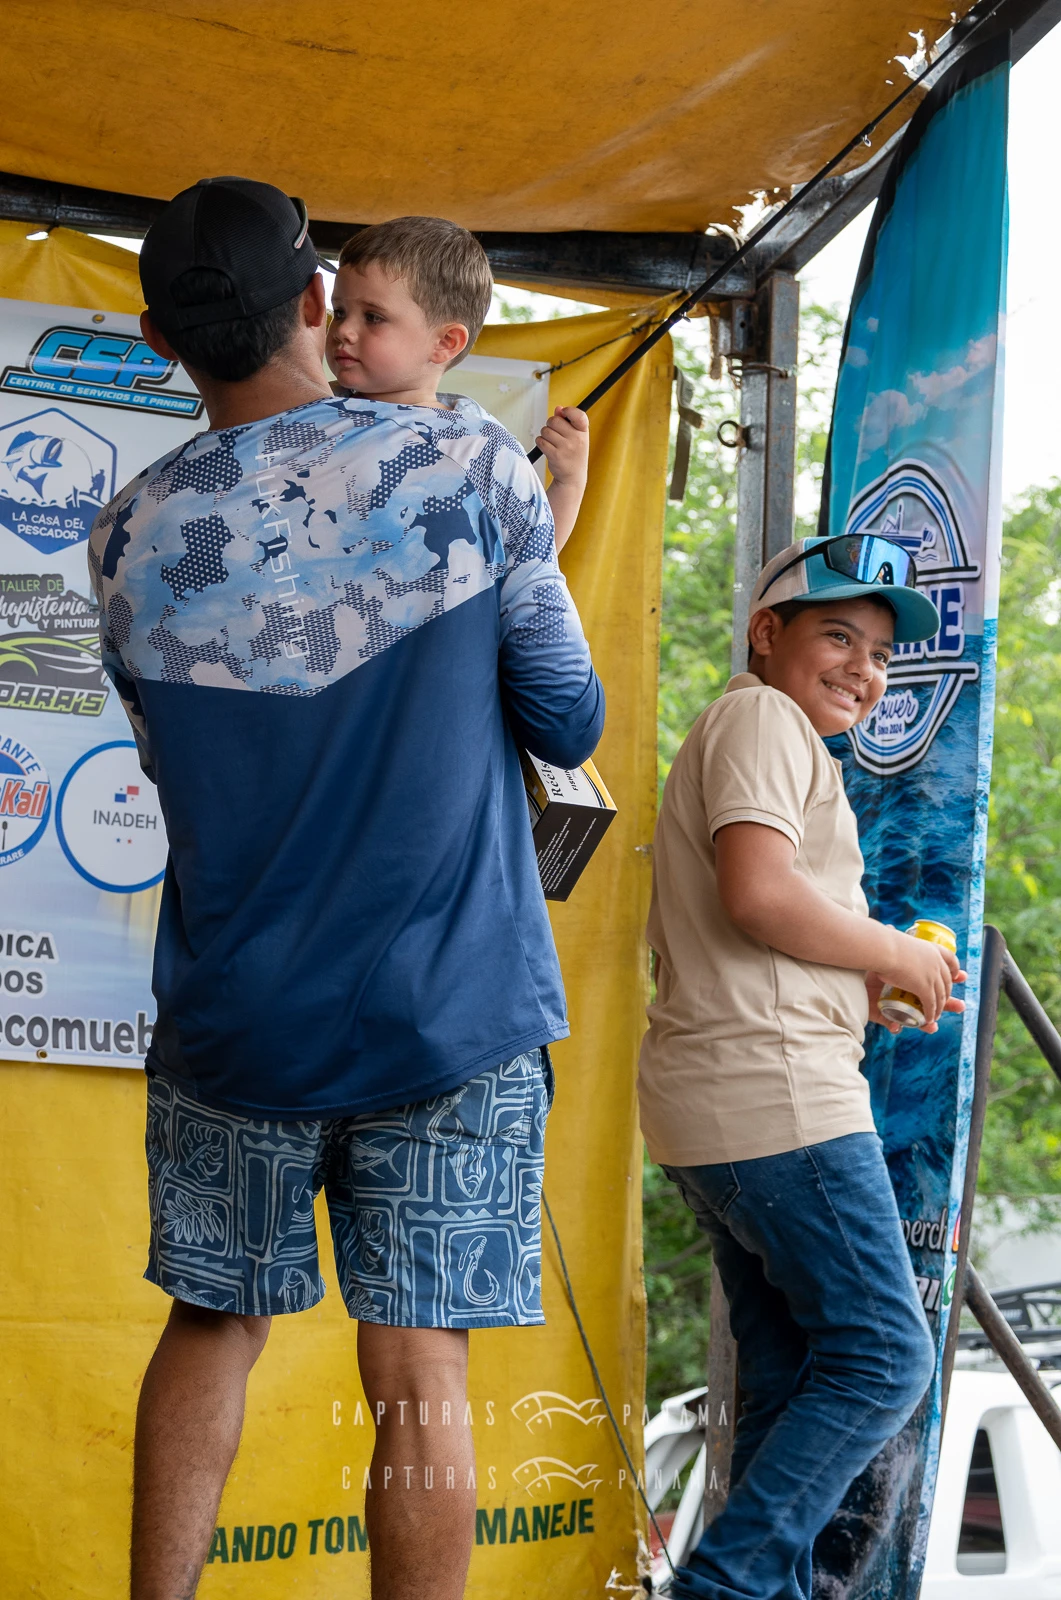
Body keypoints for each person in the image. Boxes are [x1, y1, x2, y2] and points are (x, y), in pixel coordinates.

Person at [88, 176, 604, 1600]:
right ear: (315, 300)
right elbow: (566, 720)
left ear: (155, 339)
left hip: (235, 1014)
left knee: (209, 1324)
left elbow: (184, 761)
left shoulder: (126, 538)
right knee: (416, 1357)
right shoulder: (469, 470)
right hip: (444, 1008)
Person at [637, 535, 966, 1600]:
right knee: (884, 1356)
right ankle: (722, 1587)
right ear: (765, 634)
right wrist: (896, 951)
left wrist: (860, 980)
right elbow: (758, 895)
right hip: (772, 1098)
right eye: (837, 635)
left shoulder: (767, 737)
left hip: (722, 1103)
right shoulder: (762, 719)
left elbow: (759, 919)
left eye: (878, 653)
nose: (862, 670)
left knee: (784, 1383)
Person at [326, 213, 591, 550]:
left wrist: (569, 482)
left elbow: (531, 558)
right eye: (340, 311)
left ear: (445, 342)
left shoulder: (478, 446)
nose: (343, 331)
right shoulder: (305, 408)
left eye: (373, 317)